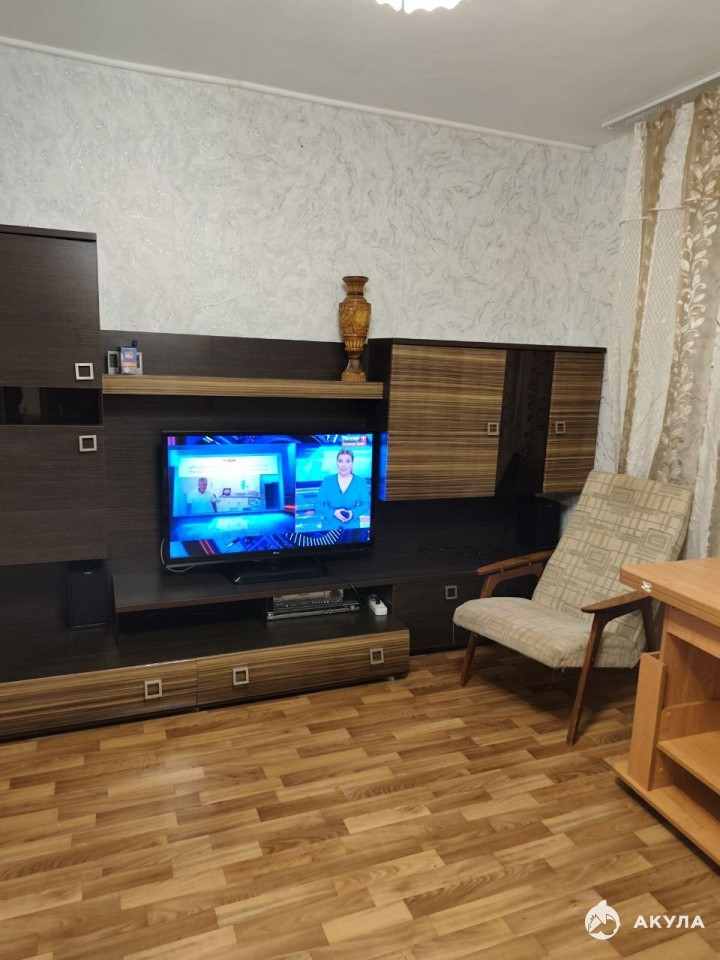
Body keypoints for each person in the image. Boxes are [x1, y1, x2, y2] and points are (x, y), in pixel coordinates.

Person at [315, 450, 370, 529]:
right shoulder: (328, 481)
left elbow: (366, 504)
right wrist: (333, 512)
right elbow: (318, 505)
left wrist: (352, 513)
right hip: (330, 527)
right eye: (340, 461)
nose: (343, 465)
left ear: (352, 463)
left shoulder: (360, 482)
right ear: (337, 463)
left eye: (347, 461)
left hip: (352, 527)